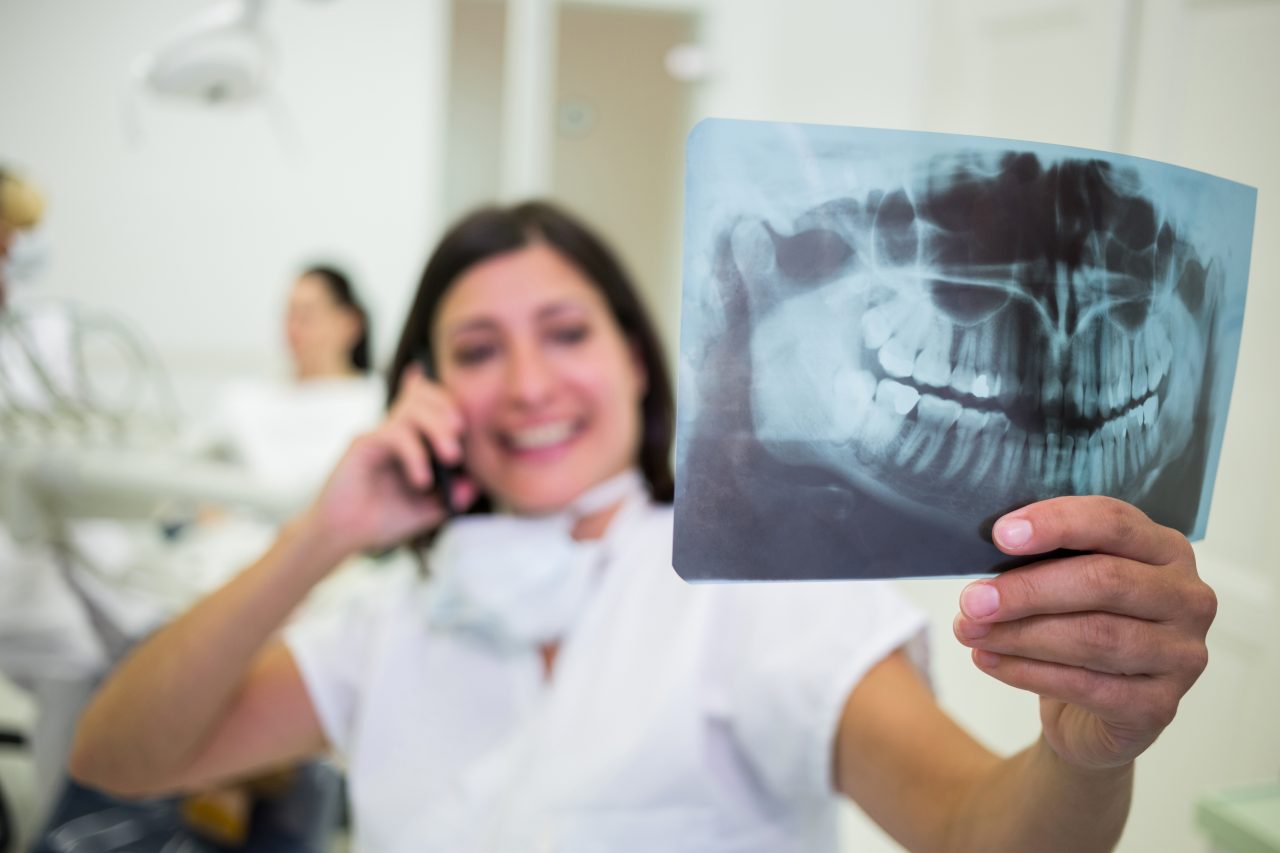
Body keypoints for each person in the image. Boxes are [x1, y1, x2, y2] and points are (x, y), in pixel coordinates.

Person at [67, 201, 1217, 852]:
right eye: (476, 350)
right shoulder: (390, 624)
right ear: (426, 388)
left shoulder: (758, 592)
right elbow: (120, 753)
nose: (525, 383)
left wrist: (1080, 755)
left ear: (631, 354)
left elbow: (975, 831)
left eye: (565, 331)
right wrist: (323, 533)